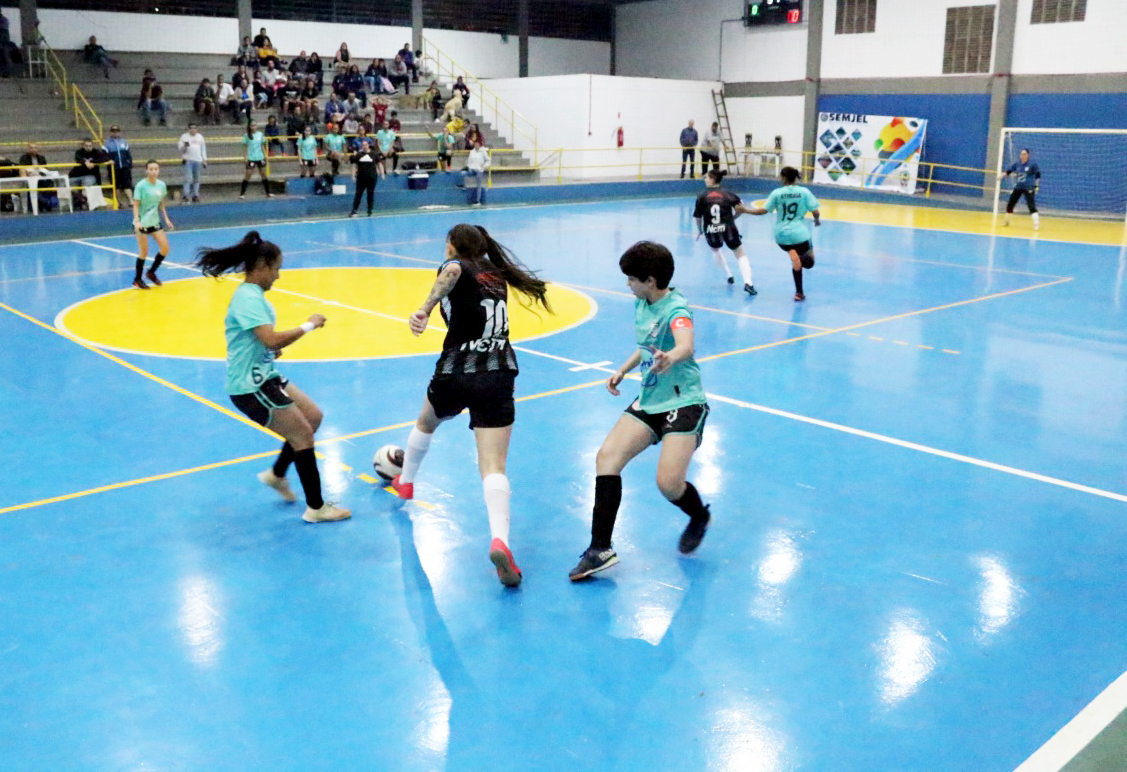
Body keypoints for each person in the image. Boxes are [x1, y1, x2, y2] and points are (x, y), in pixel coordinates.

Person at [390, 224, 553, 589]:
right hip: (497, 372)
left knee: (425, 423)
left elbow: (451, 272)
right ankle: (501, 542)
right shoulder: (497, 276)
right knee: (494, 466)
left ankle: (407, 482)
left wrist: (424, 309)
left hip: (456, 371)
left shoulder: (456, 266)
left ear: (453, 246)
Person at [569, 241, 711, 581]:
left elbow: (685, 345)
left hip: (683, 401)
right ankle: (599, 549)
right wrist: (623, 368)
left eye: (632, 279)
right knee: (607, 458)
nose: (627, 284)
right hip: (649, 398)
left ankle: (698, 516)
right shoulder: (641, 302)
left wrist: (670, 358)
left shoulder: (676, 310)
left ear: (650, 280)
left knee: (668, 483)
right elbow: (645, 344)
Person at [195, 232, 351, 524]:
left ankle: (277, 475)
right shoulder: (248, 298)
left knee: (313, 417)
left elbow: (259, 343)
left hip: (264, 374)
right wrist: (309, 325)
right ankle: (316, 508)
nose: (278, 276)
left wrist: (268, 353)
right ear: (263, 267)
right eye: (277, 268)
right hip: (250, 386)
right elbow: (269, 339)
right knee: (302, 434)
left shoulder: (253, 297)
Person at [744, 166, 821, 302]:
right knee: (810, 263)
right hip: (799, 235)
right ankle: (800, 261)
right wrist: (816, 220)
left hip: (781, 236)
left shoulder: (777, 193)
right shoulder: (804, 191)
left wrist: (745, 210)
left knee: (792, 251)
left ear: (784, 177)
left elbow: (762, 211)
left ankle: (798, 288)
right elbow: (815, 211)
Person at [693, 169, 755, 294]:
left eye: (706, 177)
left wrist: (700, 231)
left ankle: (729, 275)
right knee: (740, 253)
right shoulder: (728, 194)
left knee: (715, 250)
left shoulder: (701, 196)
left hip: (711, 229)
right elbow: (741, 208)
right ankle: (748, 283)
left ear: (712, 179)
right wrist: (733, 217)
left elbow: (698, 217)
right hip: (728, 227)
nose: (705, 180)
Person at [131, 160, 173, 290]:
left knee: (165, 248)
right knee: (144, 252)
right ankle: (137, 279)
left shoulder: (161, 185)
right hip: (142, 223)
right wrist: (137, 221)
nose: (154, 171)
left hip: (154, 221)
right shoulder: (141, 186)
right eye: (151, 169)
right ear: (146, 171)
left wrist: (166, 218)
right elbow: (136, 205)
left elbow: (161, 202)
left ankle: (151, 272)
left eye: (156, 169)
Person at [1002, 148, 1041, 230]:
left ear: (1028, 155)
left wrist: (1036, 185)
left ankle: (1036, 223)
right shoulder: (1017, 164)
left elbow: (1038, 175)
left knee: (1031, 205)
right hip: (1018, 187)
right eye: (1021, 154)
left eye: (1024, 154)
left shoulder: (1032, 164)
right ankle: (1007, 221)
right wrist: (1003, 175)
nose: (1022, 156)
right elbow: (1009, 171)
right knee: (1010, 203)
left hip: (1028, 187)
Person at [240, 120, 273, 198]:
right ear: (249, 127)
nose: (253, 127)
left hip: (260, 157)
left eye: (255, 125)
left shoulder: (260, 134)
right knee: (248, 175)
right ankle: (242, 194)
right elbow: (245, 147)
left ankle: (268, 193)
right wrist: (245, 157)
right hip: (251, 158)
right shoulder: (246, 135)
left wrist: (265, 156)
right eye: (252, 125)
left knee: (263, 175)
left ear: (257, 126)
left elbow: (262, 146)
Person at [103, 125, 134, 205]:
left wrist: (129, 164)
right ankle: (118, 202)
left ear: (119, 132)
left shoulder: (123, 142)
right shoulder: (107, 144)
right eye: (113, 131)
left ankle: (131, 201)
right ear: (111, 132)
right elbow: (103, 155)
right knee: (116, 186)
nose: (115, 133)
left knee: (127, 185)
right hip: (114, 168)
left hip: (124, 167)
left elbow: (128, 154)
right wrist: (109, 161)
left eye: (117, 131)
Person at [179, 123, 207, 203]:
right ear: (188, 129)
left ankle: (196, 195)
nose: (193, 130)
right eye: (191, 128)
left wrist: (204, 159)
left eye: (194, 128)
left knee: (196, 178)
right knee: (188, 178)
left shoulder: (200, 137)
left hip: (198, 160)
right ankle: (186, 195)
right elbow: (181, 149)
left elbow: (203, 149)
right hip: (188, 159)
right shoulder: (184, 137)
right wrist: (184, 146)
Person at [349, 138, 377, 217]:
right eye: (363, 145)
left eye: (365, 145)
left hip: (371, 178)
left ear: (368, 145)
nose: (364, 146)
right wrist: (353, 175)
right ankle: (354, 210)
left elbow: (379, 164)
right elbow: (354, 166)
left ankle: (369, 210)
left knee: (370, 194)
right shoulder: (358, 155)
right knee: (358, 194)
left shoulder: (374, 154)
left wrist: (382, 173)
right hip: (361, 178)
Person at [463, 139, 490, 206]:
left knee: (479, 185)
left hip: (479, 170)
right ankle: (462, 184)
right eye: (475, 144)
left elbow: (488, 160)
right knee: (463, 173)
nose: (476, 145)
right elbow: (469, 161)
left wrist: (484, 166)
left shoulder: (483, 152)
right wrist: (468, 166)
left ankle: (477, 201)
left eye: (477, 144)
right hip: (472, 169)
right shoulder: (472, 152)